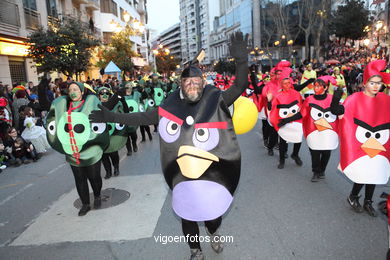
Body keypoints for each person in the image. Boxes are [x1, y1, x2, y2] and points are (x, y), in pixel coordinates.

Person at [90, 32, 249, 260]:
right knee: (187, 215)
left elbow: (241, 84)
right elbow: (142, 118)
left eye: (196, 81)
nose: (192, 85)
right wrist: (110, 116)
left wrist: (241, 61)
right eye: (187, 82)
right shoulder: (169, 107)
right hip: (182, 175)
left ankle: (214, 233)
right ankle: (195, 250)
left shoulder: (217, 99)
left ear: (203, 83)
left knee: (212, 214)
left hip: (211, 173)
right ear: (181, 85)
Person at [40, 78, 110, 216]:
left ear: (82, 91)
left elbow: (105, 112)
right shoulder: (63, 106)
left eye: (76, 89)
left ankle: (97, 195)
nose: (72, 92)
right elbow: (46, 106)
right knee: (79, 179)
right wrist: (41, 89)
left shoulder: (91, 102)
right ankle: (85, 204)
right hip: (72, 151)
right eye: (70, 90)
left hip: (91, 150)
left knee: (94, 177)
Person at [336, 60, 390, 217]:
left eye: (379, 83)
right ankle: (353, 196)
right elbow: (343, 116)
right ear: (365, 83)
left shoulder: (385, 100)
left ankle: (368, 202)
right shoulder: (354, 99)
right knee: (363, 172)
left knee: (375, 172)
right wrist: (336, 105)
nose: (375, 86)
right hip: (360, 144)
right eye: (372, 83)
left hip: (380, 144)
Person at [302, 76, 343, 182]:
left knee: (326, 152)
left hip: (329, 132)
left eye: (319, 86)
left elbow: (340, 112)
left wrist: (338, 103)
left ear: (325, 88)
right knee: (314, 152)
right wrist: (288, 119)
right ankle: (315, 172)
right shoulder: (309, 99)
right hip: (313, 131)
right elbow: (302, 114)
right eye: (315, 86)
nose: (316, 88)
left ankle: (322, 170)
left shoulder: (332, 99)